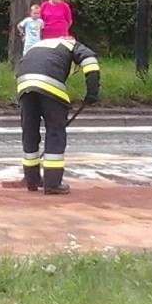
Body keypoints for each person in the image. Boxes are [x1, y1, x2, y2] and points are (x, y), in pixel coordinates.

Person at [16, 37, 100, 195]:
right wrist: (92, 93)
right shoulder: (73, 45)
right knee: (55, 131)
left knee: (30, 131)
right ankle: (52, 183)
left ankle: (31, 180)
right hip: (50, 83)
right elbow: (91, 63)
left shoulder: (40, 44)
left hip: (24, 84)